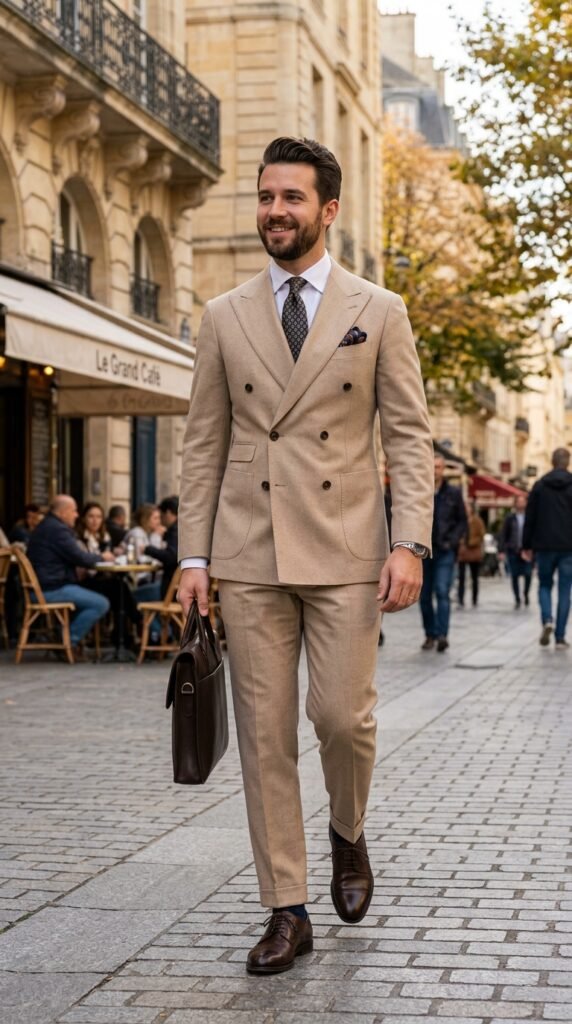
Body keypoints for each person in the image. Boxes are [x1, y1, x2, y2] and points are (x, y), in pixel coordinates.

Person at [176, 136, 434, 974]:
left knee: (341, 720)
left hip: (349, 548)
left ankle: (348, 832)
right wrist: (193, 556)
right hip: (248, 549)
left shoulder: (379, 310)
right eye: (265, 197)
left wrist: (410, 541)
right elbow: (201, 447)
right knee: (265, 735)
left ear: (327, 210)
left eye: (291, 198)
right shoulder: (224, 315)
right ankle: (286, 906)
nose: (274, 212)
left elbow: (410, 436)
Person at [26, 495, 113, 654]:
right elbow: (80, 557)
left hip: (45, 585)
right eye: (73, 511)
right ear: (62, 512)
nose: (76, 515)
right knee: (100, 603)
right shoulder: (57, 530)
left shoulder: (47, 526)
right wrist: (103, 557)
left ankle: (66, 637)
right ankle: (67, 641)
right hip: (51, 589)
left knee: (97, 593)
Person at [522, 447, 572, 649]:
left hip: (543, 545)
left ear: (552, 462)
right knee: (565, 590)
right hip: (568, 546)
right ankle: (560, 637)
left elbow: (530, 517)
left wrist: (526, 544)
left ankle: (547, 619)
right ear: (567, 462)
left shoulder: (540, 486)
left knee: (544, 585)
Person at [420, 455, 467, 652]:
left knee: (441, 591)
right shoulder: (421, 491)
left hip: (445, 549)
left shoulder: (453, 493)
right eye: (432, 467)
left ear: (443, 470)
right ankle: (430, 634)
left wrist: (453, 540)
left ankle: (442, 635)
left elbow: (462, 521)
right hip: (423, 551)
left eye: (438, 467)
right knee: (424, 595)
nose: (435, 471)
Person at [77, 502, 139, 647]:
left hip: (101, 579)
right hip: (84, 582)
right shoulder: (79, 539)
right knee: (119, 589)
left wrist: (114, 554)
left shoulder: (103, 537)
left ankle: (121, 637)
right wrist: (103, 557)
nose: (95, 520)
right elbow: (84, 566)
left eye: (98, 517)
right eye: (91, 516)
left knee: (120, 590)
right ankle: (134, 626)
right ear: (84, 518)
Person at [498, 494, 532, 608]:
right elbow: (503, 534)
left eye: (523, 501)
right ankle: (517, 598)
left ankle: (526, 594)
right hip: (513, 550)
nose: (520, 504)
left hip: (527, 551)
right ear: (515, 503)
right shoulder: (510, 518)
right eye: (518, 501)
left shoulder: (530, 517)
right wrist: (502, 550)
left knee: (528, 574)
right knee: (514, 576)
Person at [144, 496, 179, 598]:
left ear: (167, 513)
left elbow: (171, 557)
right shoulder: (180, 528)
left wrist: (148, 549)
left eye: (160, 516)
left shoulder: (174, 530)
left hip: (171, 591)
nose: (160, 521)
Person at [457, 501, 485, 608]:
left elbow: (481, 535)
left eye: (467, 507)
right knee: (461, 577)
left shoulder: (477, 521)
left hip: (474, 552)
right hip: (463, 552)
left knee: (474, 577)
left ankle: (474, 598)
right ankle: (460, 598)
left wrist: (471, 542)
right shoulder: (460, 520)